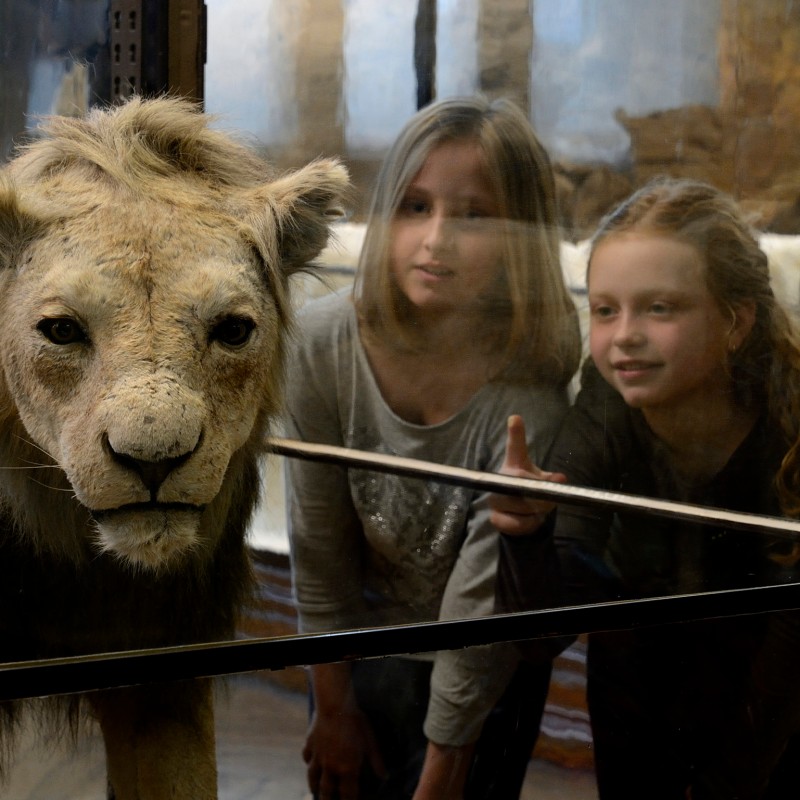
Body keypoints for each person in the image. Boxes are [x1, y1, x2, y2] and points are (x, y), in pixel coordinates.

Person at [283, 96, 581, 800]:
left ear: (520, 237)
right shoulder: (321, 344)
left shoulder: (531, 395)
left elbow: (483, 612)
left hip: (488, 675)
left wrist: (445, 770)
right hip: (352, 655)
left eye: (474, 215)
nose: (436, 239)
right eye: (415, 206)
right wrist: (332, 707)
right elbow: (318, 547)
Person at [492, 178, 800, 799]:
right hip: (637, 711)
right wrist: (525, 537)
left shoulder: (787, 431)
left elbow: (788, 664)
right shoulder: (607, 402)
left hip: (773, 727)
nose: (625, 335)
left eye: (660, 308)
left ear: (736, 322)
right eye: (605, 310)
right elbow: (540, 637)